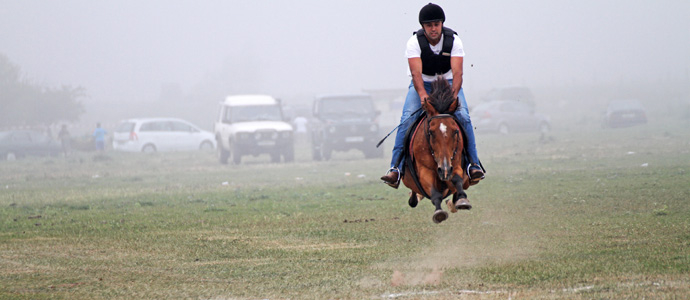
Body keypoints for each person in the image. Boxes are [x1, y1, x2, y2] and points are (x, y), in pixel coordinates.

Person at [381, 3, 484, 189]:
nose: (433, 28)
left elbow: (458, 73)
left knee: (464, 117)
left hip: (449, 83)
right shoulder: (414, 43)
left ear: (442, 24)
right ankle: (395, 168)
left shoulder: (454, 41)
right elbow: (416, 74)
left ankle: (473, 165)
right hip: (423, 83)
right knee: (406, 120)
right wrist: (422, 96)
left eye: (436, 24)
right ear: (423, 27)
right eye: (429, 25)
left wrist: (453, 99)